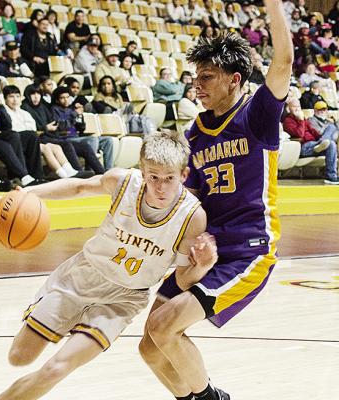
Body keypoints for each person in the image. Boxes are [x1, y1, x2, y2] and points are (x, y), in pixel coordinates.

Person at [139, 1, 294, 399]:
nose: (198, 85)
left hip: (248, 249)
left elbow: (285, 60)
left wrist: (274, 7)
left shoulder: (256, 114)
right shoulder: (194, 134)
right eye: (196, 78)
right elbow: (189, 198)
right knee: (150, 346)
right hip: (207, 248)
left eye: (207, 77)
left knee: (163, 329)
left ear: (235, 79)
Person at [0, 131, 218, 400]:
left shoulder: (193, 216)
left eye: (169, 178)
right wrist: (26, 194)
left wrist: (202, 267)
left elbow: (182, 280)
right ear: (142, 170)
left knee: (56, 369)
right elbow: (79, 187)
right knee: (19, 357)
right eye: (153, 177)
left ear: (183, 175)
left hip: (122, 299)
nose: (160, 187)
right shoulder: (123, 182)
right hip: (81, 277)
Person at [3, 84, 79, 179]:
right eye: (11, 97)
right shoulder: (4, 111)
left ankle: (70, 171)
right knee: (46, 148)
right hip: (18, 142)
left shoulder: (24, 113)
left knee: (56, 147)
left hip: (32, 140)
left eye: (17, 96)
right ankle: (63, 176)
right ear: (5, 99)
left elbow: (33, 129)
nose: (15, 100)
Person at [21, 84, 94, 178]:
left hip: (50, 136)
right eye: (33, 94)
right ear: (27, 95)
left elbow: (55, 122)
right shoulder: (25, 108)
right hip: (38, 138)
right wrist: (46, 128)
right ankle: (77, 172)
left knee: (85, 145)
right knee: (66, 144)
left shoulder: (42, 107)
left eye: (38, 94)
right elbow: (30, 129)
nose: (36, 97)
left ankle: (96, 172)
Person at [283, 98, 339, 184]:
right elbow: (300, 134)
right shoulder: (288, 121)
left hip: (315, 143)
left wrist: (321, 137)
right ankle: (322, 145)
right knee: (329, 143)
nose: (297, 108)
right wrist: (301, 120)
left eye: (298, 106)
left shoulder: (303, 119)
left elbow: (312, 131)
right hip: (304, 147)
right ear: (288, 108)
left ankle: (331, 177)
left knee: (331, 139)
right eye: (294, 106)